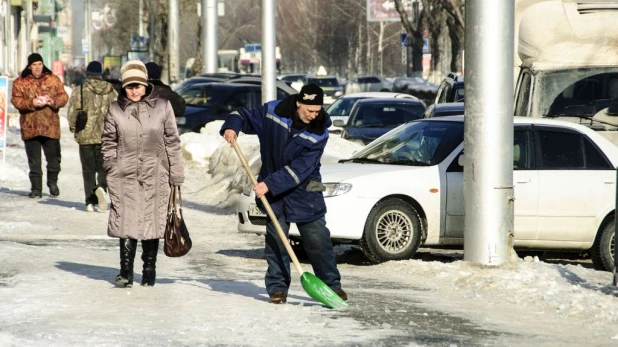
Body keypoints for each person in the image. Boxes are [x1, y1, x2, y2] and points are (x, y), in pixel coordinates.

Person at [220, 84, 347, 304]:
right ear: (299, 103)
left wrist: (270, 184)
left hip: (305, 188)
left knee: (317, 239)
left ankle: (331, 285)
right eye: (309, 110)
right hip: (274, 192)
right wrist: (233, 126)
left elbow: (301, 168)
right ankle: (277, 287)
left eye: (318, 111)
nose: (314, 115)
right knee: (276, 240)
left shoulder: (319, 131)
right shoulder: (272, 113)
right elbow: (243, 115)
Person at [102, 60, 184, 287]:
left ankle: (149, 269)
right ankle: (126, 271)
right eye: (130, 86)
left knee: (152, 222)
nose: (134, 90)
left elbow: (172, 142)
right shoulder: (115, 109)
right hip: (124, 174)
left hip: (155, 174)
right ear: (124, 87)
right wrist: (110, 164)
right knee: (126, 221)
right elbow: (108, 141)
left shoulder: (163, 106)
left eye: (138, 85)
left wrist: (176, 174)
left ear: (146, 85)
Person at [11, 53, 68, 198]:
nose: (37, 68)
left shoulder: (53, 80)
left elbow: (63, 97)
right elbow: (16, 101)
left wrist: (51, 101)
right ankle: (36, 188)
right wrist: (32, 103)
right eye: (34, 65)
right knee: (34, 162)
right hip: (31, 127)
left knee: (54, 160)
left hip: (50, 127)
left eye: (39, 64)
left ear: (43, 65)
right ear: (29, 66)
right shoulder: (20, 82)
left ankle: (52, 182)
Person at [67, 61, 118, 212]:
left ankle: (90, 202)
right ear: (101, 74)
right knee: (104, 168)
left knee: (88, 170)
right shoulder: (111, 91)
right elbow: (118, 113)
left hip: (85, 136)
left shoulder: (80, 90)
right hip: (106, 137)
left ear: (88, 74)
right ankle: (101, 187)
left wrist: (73, 128)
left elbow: (72, 113)